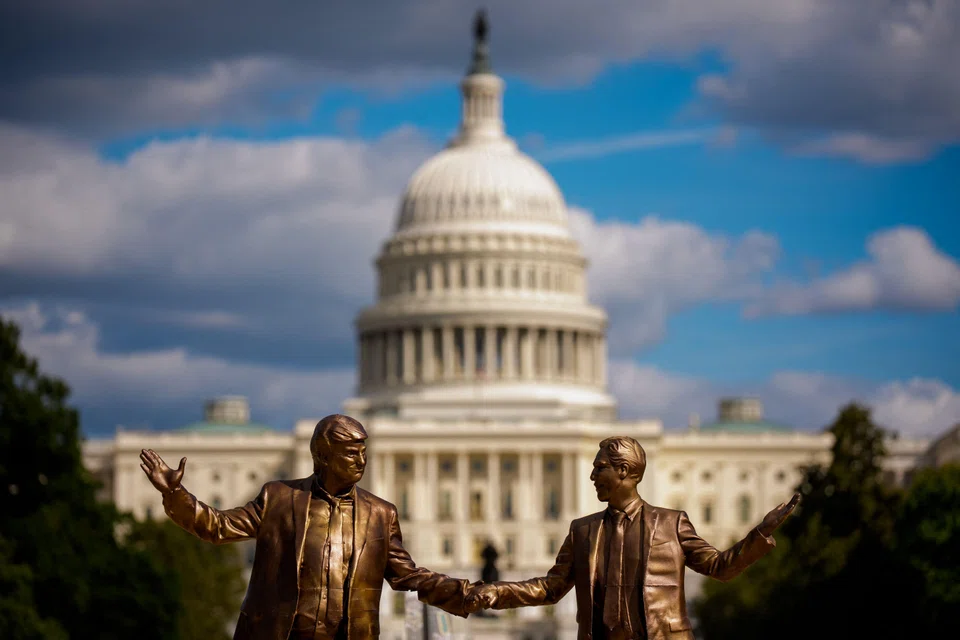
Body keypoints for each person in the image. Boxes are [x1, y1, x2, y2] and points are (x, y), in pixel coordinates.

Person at [141, 414, 472, 640]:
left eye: (364, 452)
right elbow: (217, 527)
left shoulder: (380, 514)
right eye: (351, 453)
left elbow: (410, 577)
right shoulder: (279, 498)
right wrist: (174, 493)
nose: (362, 461)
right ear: (324, 456)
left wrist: (481, 594)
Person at [465, 436, 801, 639]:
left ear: (624, 471)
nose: (592, 475)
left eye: (599, 468)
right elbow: (550, 588)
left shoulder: (671, 523)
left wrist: (760, 533)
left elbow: (719, 567)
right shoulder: (582, 531)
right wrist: (487, 593)